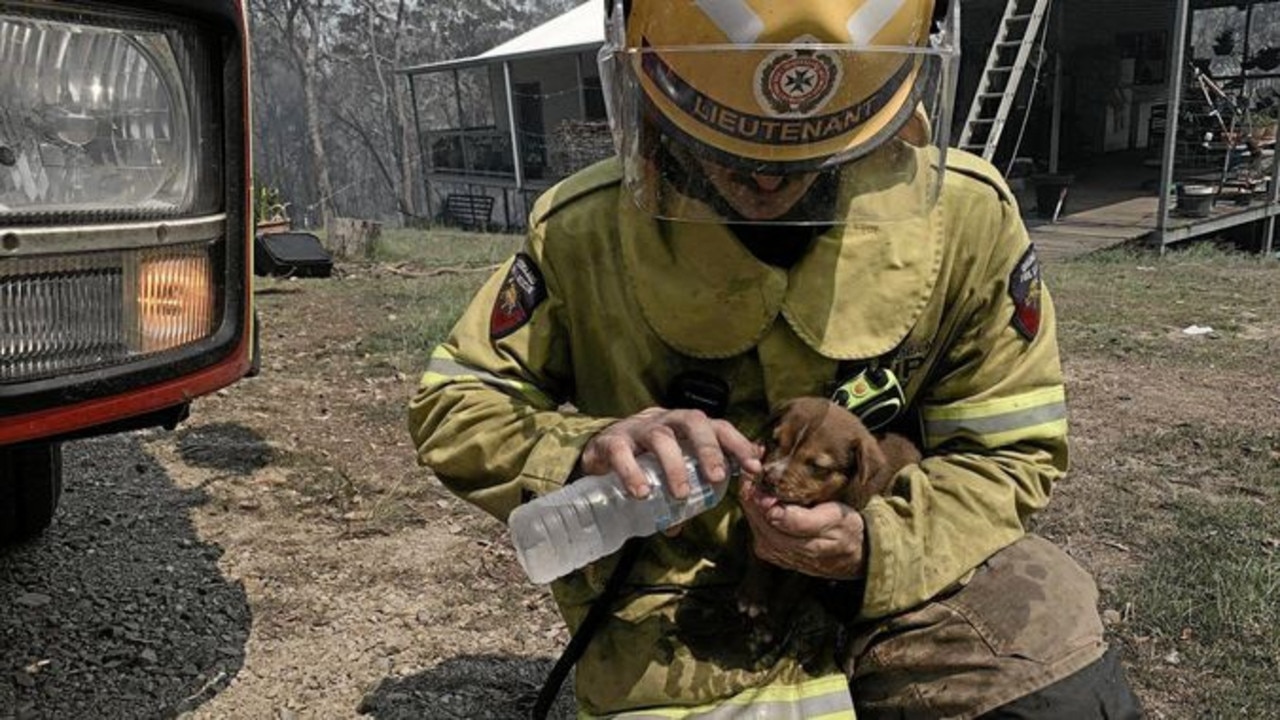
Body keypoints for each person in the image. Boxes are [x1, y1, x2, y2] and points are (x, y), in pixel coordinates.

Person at [409, 0, 1144, 717]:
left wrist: (877, 543)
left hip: (902, 576)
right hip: (676, 610)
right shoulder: (584, 230)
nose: (765, 183)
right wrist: (589, 452)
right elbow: (456, 405)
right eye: (728, 152)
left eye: (816, 156)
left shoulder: (970, 222)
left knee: (1056, 678)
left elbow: (1008, 453)